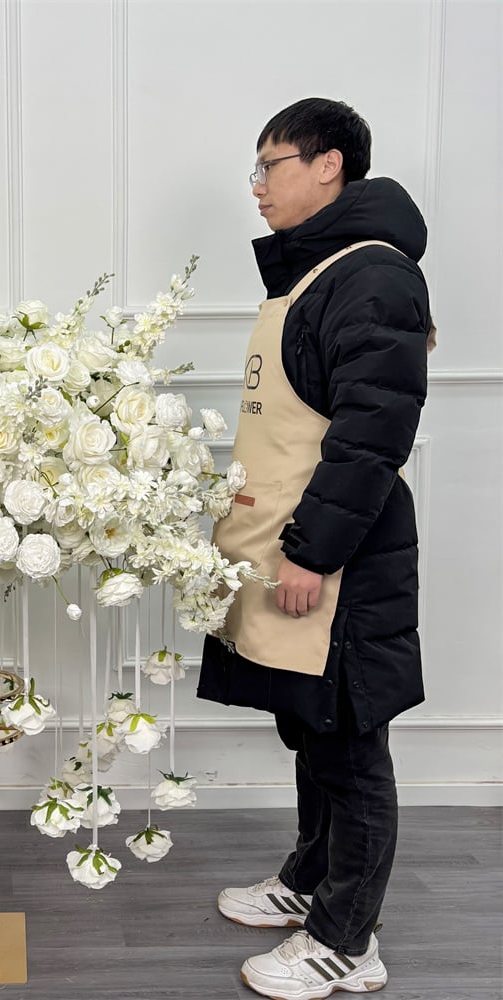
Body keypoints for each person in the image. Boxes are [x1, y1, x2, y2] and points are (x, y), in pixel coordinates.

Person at [196, 97, 434, 999]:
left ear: (328, 163)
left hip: (340, 560)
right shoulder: (319, 273)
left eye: (271, 165)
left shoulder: (373, 277)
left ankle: (347, 940)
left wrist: (312, 552)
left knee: (351, 748)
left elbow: (371, 436)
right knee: (312, 728)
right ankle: (310, 880)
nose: (257, 186)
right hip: (289, 546)